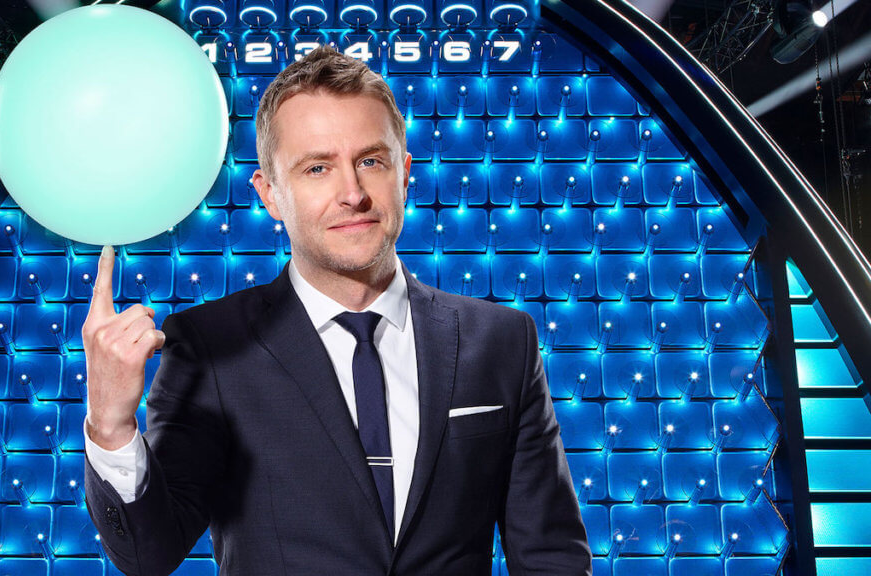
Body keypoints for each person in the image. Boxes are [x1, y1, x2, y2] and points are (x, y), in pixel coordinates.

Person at [81, 44, 591, 576]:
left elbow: (550, 557)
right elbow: (148, 555)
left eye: (370, 161)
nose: (352, 193)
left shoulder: (503, 340)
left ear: (404, 172)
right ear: (271, 194)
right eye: (317, 168)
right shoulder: (211, 346)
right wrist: (111, 424)